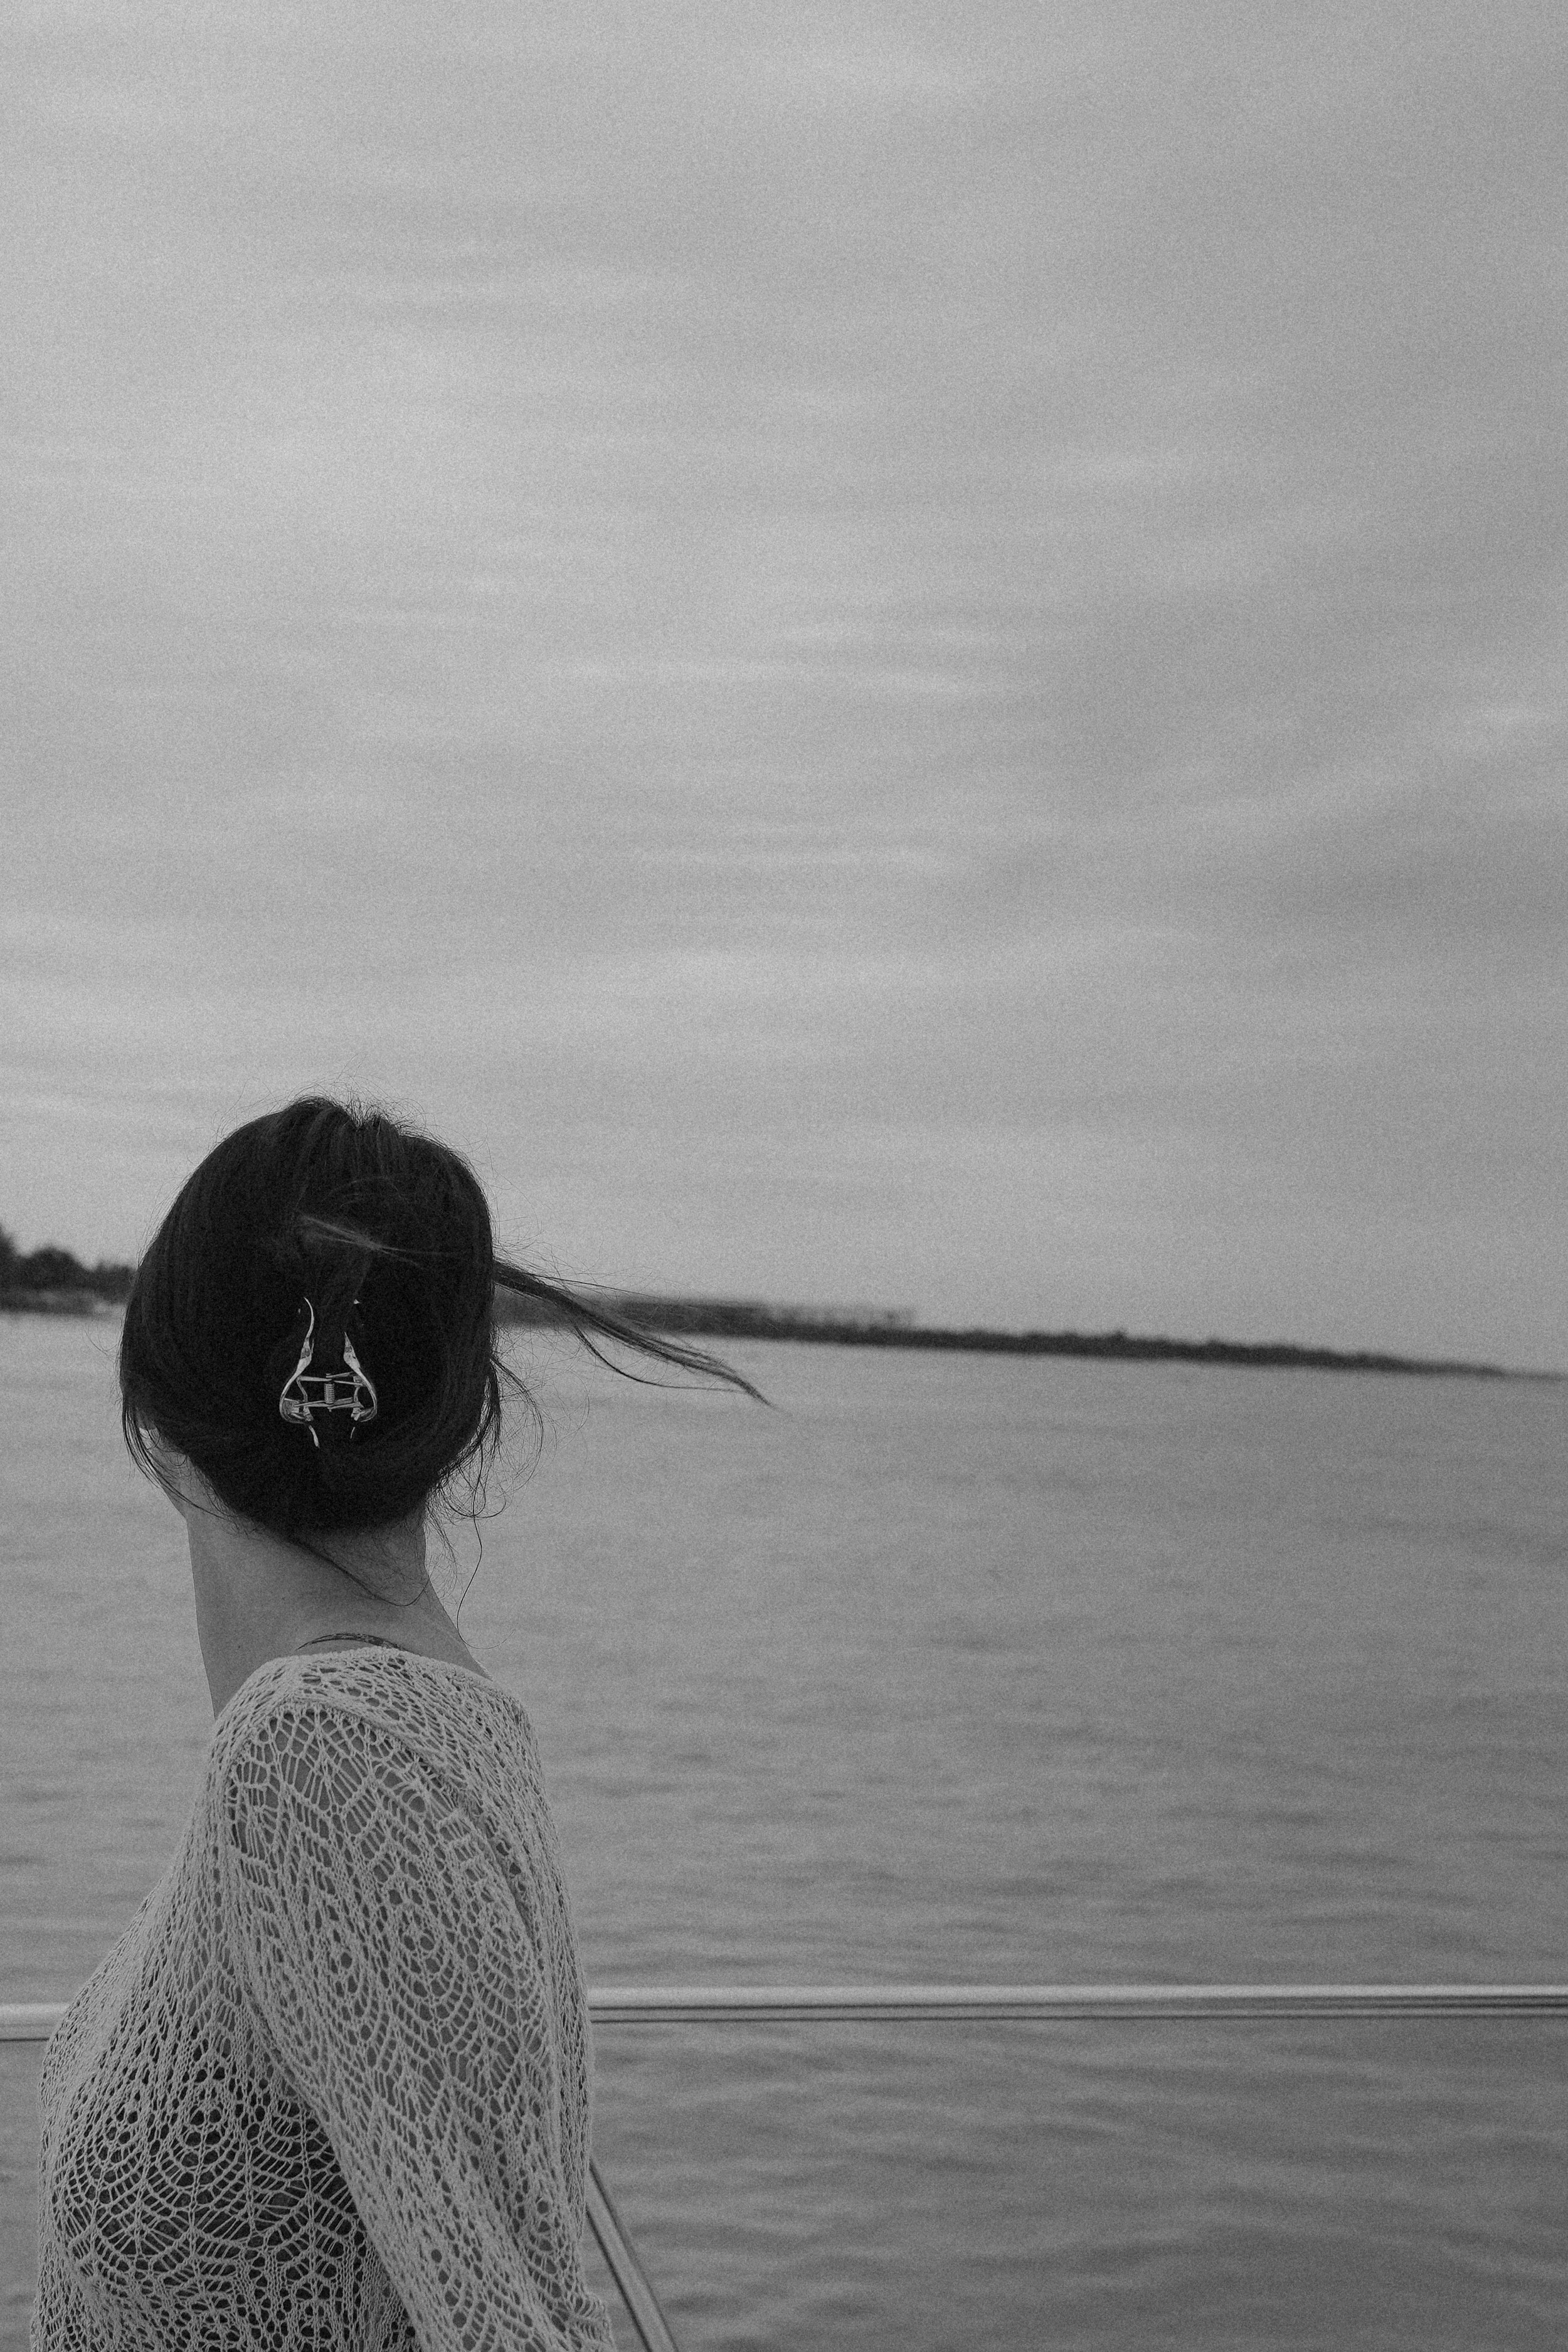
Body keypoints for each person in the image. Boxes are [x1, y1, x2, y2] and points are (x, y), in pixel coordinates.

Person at [31, 1095, 756, 2350]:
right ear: (458, 1424)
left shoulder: (323, 1748)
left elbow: (509, 2319)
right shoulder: (424, 1724)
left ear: (149, 1422)